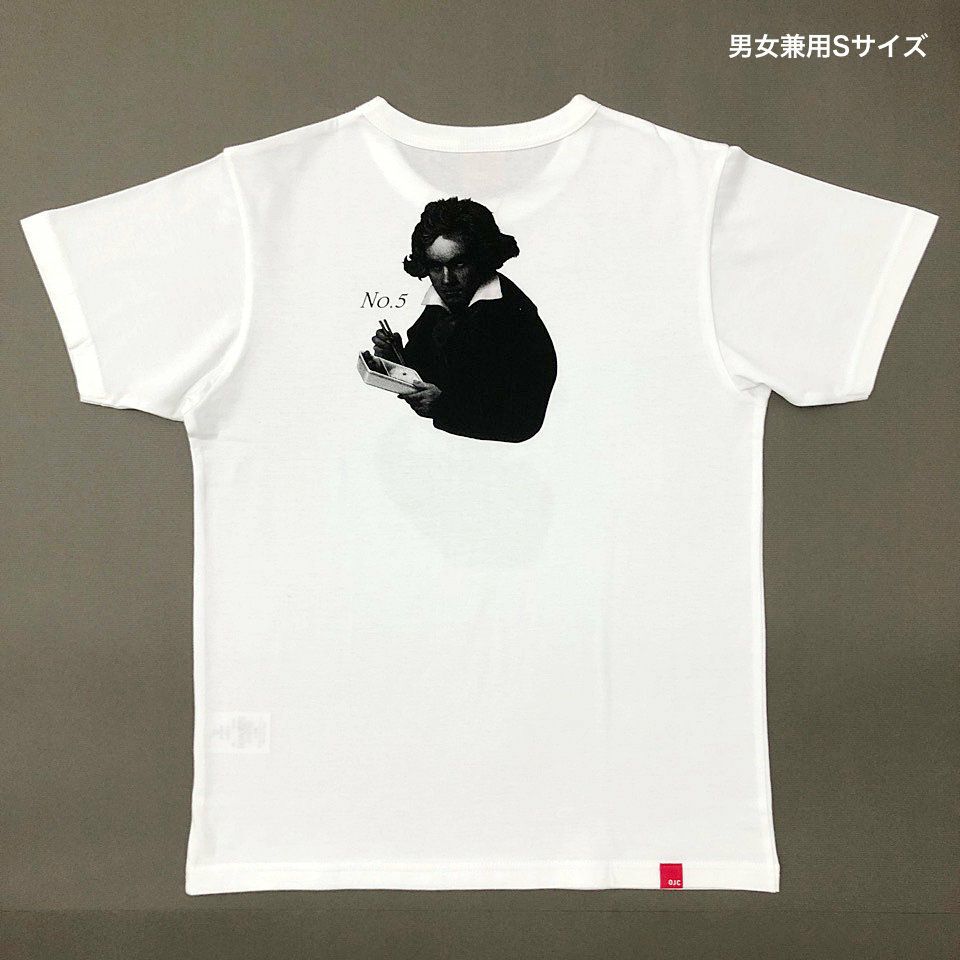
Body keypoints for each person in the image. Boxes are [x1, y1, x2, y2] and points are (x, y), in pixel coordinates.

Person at [371, 197, 557, 443]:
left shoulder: (512, 317)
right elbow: (430, 369)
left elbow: (522, 422)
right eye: (435, 267)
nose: (447, 280)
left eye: (458, 264)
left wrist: (444, 406)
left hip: (497, 455)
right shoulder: (442, 305)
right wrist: (394, 357)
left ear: (483, 259)